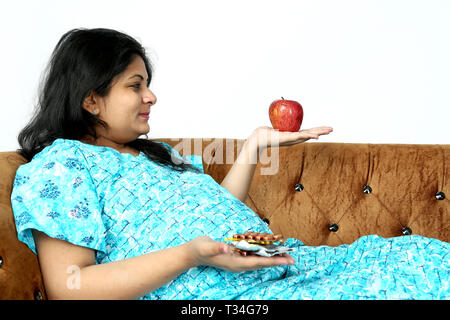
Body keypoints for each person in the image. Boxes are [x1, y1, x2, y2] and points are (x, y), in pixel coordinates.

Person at [11, 28, 448, 300]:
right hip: (220, 292)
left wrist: (256, 145)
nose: (151, 96)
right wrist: (190, 255)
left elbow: (214, 211)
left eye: (148, 84)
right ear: (91, 100)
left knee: (417, 257)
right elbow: (72, 288)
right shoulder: (62, 165)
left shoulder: (153, 152)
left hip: (280, 265)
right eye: (135, 85)